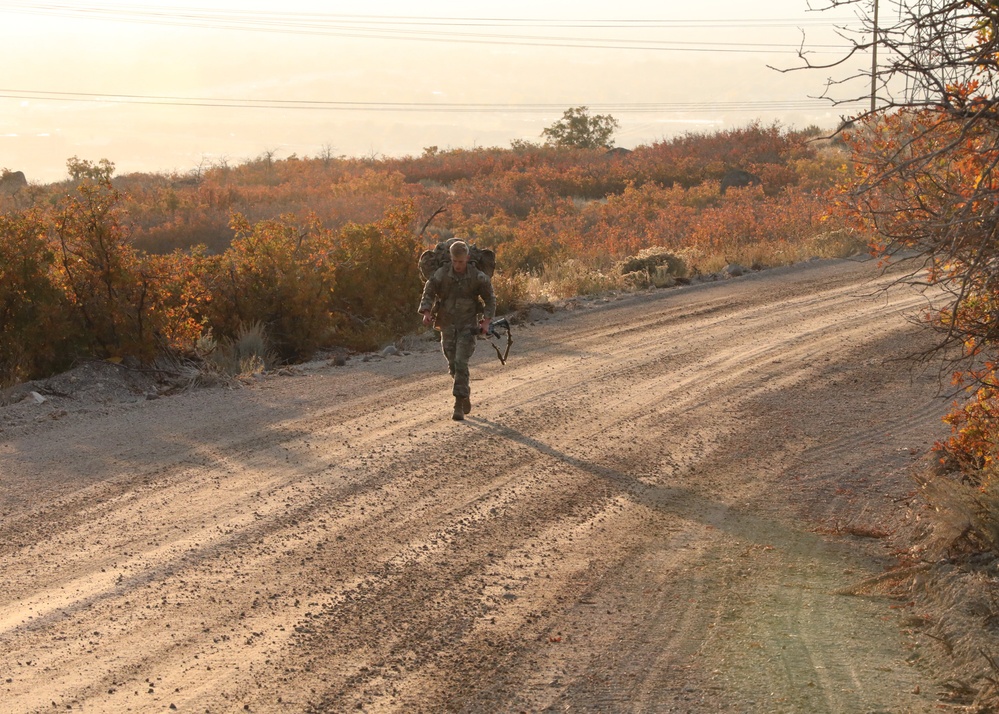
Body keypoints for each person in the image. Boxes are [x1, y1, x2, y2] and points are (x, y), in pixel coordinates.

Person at [419, 240, 496, 421]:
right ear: (451, 259)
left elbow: (490, 299)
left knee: (461, 361)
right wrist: (427, 312)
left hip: (468, 325)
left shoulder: (477, 276)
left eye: (461, 262)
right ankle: (465, 391)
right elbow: (429, 291)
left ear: (467, 259)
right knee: (453, 364)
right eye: (455, 261)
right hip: (446, 323)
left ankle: (458, 404)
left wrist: (486, 321)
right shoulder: (442, 274)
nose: (458, 265)